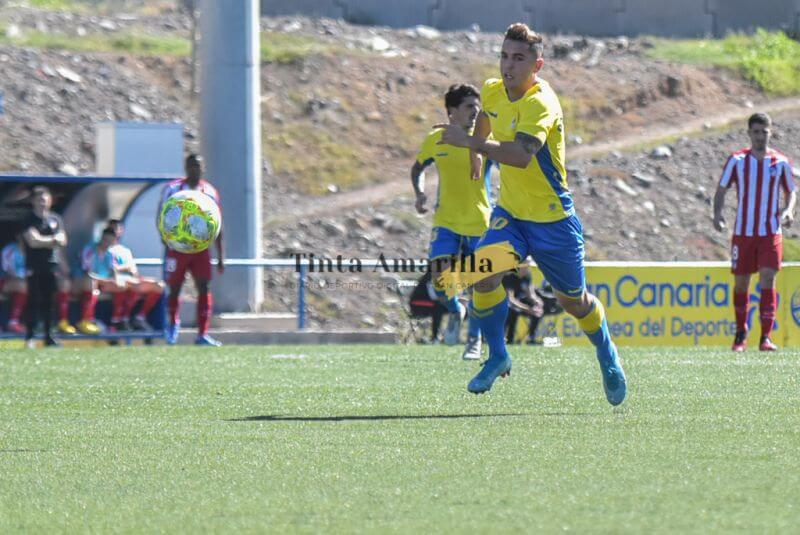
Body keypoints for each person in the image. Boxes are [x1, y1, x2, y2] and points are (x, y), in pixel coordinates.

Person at [434, 23, 627, 404]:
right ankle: (497, 355)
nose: (509, 65)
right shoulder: (492, 89)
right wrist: (477, 157)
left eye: (519, 58)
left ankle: (606, 351)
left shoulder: (542, 103)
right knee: (479, 276)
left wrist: (471, 143)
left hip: (553, 221)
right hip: (513, 218)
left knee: (574, 302)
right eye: (504, 56)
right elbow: (486, 119)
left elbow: (522, 156)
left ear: (537, 65)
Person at [411, 83, 492, 360]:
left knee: (480, 286)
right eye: (469, 106)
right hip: (445, 220)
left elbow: (509, 158)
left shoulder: (485, 138)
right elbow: (418, 167)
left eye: (477, 106)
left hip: (479, 223)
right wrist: (420, 192)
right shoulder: (437, 138)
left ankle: (474, 341)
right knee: (440, 279)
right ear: (452, 113)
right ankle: (456, 309)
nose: (476, 111)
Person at [713, 112, 796, 352]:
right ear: (749, 133)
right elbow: (721, 190)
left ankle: (766, 337)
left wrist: (789, 211)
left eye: (765, 132)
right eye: (756, 132)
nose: (760, 136)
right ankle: (741, 334)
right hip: (744, 233)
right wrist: (717, 215)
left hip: (770, 231)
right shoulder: (738, 160)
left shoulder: (779, 162)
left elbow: (791, 192)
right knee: (742, 283)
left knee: (768, 277)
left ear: (771, 132)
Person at [158, 154, 225, 346]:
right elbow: (162, 215)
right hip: (177, 248)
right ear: (186, 167)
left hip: (200, 249)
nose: (195, 169)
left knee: (204, 286)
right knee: (175, 287)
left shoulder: (210, 191)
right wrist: (166, 240)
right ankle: (172, 325)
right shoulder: (173, 189)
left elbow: (218, 223)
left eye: (198, 166)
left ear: (203, 168)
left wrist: (221, 255)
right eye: (191, 166)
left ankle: (202, 333)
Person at [21, 186, 67, 347]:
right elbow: (32, 241)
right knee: (34, 300)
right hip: (34, 266)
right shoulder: (28, 219)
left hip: (51, 266)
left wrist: (44, 240)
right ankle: (30, 337)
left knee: (49, 302)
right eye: (39, 199)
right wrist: (52, 240)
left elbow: (62, 241)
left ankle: (49, 337)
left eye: (45, 199)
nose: (43, 203)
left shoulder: (56, 219)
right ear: (33, 201)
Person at [106, 219, 164, 331]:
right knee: (127, 284)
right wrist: (125, 268)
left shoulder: (124, 250)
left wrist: (131, 270)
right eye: (113, 228)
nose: (116, 231)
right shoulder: (106, 248)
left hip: (131, 277)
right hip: (115, 279)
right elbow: (110, 268)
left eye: (118, 228)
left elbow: (133, 267)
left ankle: (140, 317)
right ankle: (119, 320)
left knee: (158, 286)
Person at [76, 228, 127, 331]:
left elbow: (113, 272)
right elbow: (87, 273)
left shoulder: (110, 254)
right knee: (91, 284)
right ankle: (85, 321)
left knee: (122, 286)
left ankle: (116, 321)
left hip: (101, 282)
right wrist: (107, 281)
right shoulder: (89, 250)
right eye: (105, 240)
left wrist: (117, 280)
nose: (106, 243)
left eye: (110, 241)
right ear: (101, 238)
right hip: (81, 281)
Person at [1, 235, 28, 334]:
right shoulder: (10, 249)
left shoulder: (32, 252)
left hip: (21, 281)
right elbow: (8, 270)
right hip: (4, 280)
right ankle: (13, 322)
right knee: (22, 286)